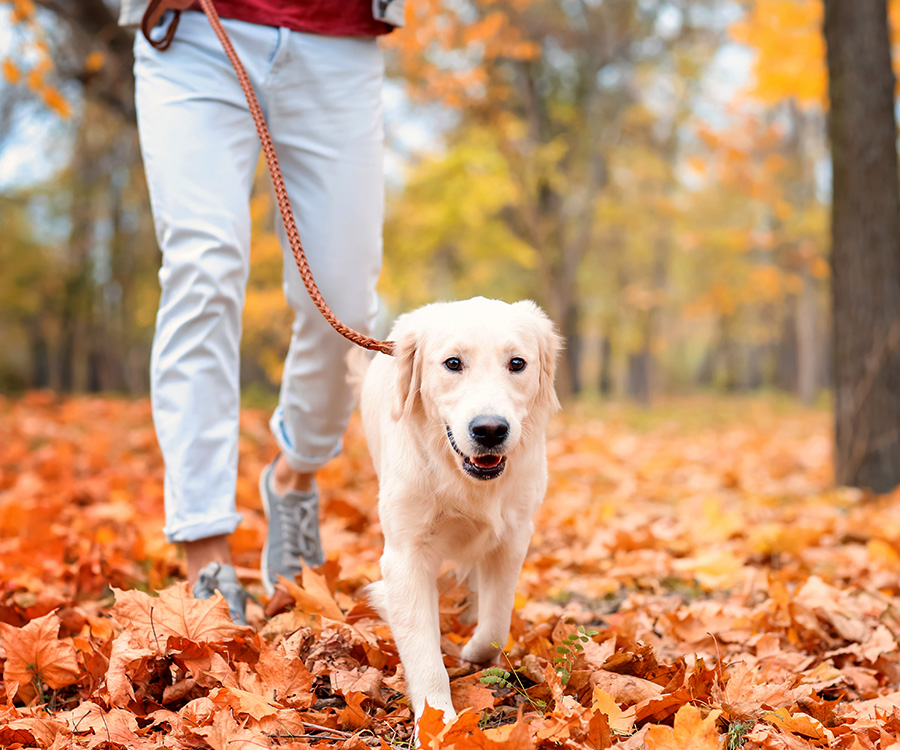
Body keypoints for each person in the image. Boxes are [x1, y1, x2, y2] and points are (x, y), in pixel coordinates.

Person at [120, 0, 404, 624]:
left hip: (339, 39)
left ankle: (294, 476)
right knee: (203, 272)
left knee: (346, 303)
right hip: (195, 30)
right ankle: (206, 557)